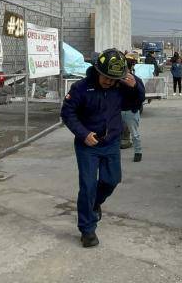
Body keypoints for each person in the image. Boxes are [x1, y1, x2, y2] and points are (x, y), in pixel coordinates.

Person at [60, 48, 145, 248]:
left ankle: (95, 204)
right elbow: (68, 112)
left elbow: (135, 102)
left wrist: (137, 87)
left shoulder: (119, 87)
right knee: (88, 186)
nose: (108, 81)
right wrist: (83, 134)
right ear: (97, 70)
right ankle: (87, 230)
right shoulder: (81, 88)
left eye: (112, 79)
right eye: (105, 77)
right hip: (88, 145)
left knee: (112, 180)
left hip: (111, 142)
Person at [120, 51, 144, 161]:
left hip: (131, 112)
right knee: (114, 134)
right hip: (118, 111)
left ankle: (138, 153)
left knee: (134, 134)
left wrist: (135, 108)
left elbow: (141, 96)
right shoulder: (117, 81)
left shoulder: (136, 80)